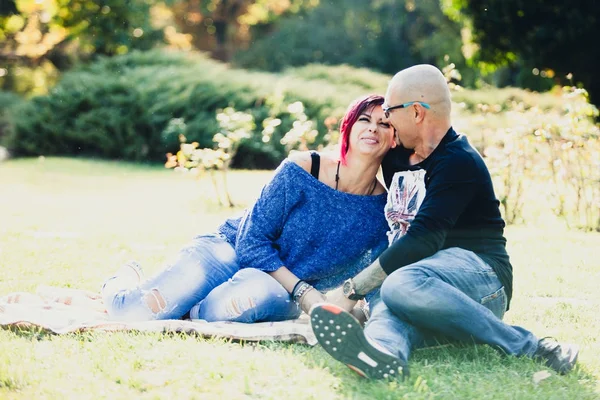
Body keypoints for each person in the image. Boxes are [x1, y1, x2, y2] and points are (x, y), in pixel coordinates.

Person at [310, 65, 579, 379]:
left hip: (480, 283)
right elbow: (355, 160)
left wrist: (352, 289)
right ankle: (382, 356)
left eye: (389, 111)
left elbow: (424, 240)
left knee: (397, 283)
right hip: (417, 287)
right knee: (387, 298)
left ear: (416, 113)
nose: (386, 119)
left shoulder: (459, 162)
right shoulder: (398, 156)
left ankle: (532, 346)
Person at [101, 94, 396, 323]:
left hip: (276, 288)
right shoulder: (304, 168)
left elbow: (371, 281)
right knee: (131, 315)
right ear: (349, 125)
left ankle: (190, 307)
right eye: (364, 119)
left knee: (236, 302)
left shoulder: (380, 211)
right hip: (228, 250)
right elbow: (251, 240)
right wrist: (306, 293)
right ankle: (125, 280)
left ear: (395, 140)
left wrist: (355, 314)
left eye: (384, 123)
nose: (373, 128)